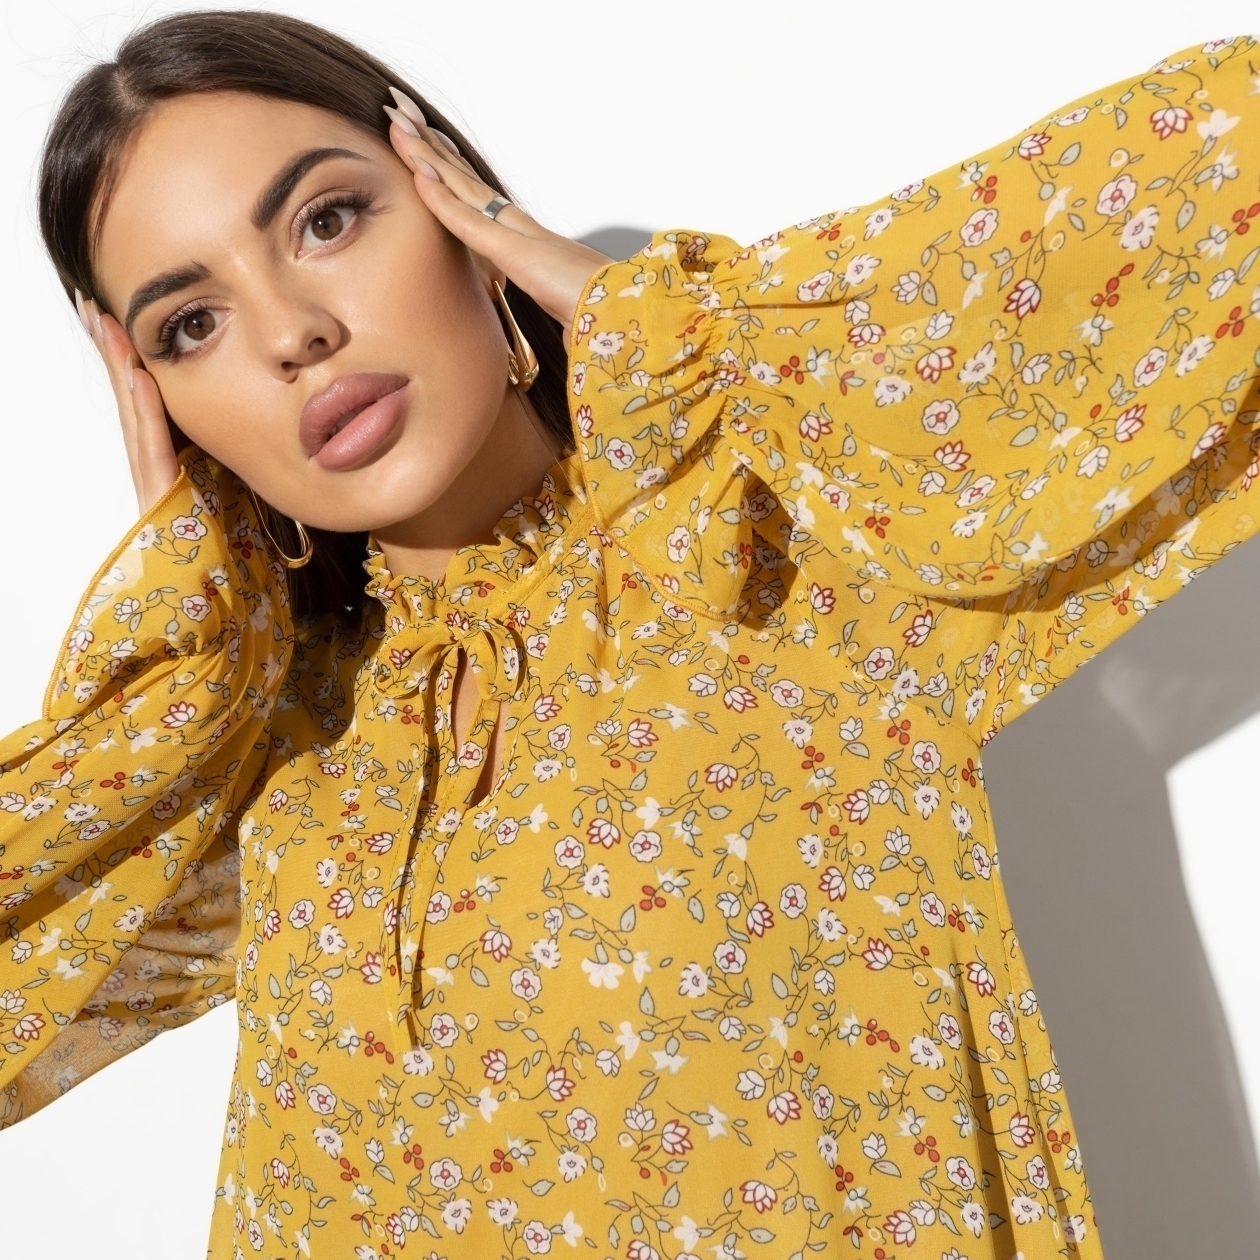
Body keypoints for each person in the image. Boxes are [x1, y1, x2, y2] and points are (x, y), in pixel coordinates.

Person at [1, 10, 1256, 1256]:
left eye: (326, 221)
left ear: (454, 205)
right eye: (190, 325)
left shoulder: (774, 529)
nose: (291, 333)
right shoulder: (281, 752)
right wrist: (171, 665)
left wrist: (664, 321)